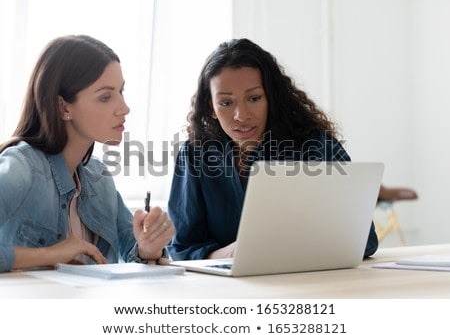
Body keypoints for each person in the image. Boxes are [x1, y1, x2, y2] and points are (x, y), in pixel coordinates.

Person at [167, 38, 378, 261]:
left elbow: (365, 241)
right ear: (211, 107)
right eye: (226, 103)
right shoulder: (194, 154)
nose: (241, 115)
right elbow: (182, 247)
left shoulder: (316, 147)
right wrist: (231, 254)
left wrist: (283, 250)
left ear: (272, 98)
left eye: (254, 98)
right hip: (222, 289)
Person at [0, 35, 174, 273]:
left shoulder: (99, 178)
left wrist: (149, 248)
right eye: (105, 97)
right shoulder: (22, 168)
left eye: (121, 91)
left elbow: (136, 256)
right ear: (64, 107)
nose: (124, 108)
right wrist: (49, 255)